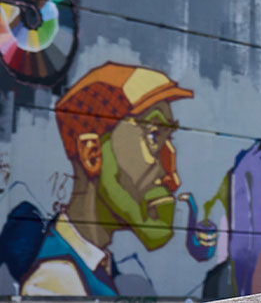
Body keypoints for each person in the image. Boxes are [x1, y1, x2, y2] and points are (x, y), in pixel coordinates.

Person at [20, 63, 192, 296]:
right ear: (92, 154)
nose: (173, 177)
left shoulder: (97, 265)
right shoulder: (54, 284)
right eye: (153, 136)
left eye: (168, 138)